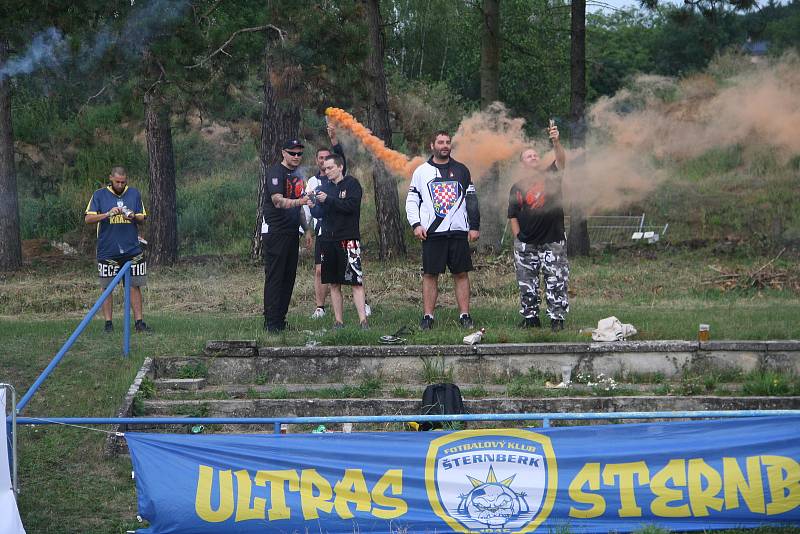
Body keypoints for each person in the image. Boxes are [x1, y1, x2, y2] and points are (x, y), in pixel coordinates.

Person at [405, 130, 480, 330]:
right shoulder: (421, 171)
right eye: (440, 142)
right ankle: (428, 316)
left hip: (457, 231)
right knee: (430, 274)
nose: (445, 145)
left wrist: (474, 226)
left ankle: (464, 315)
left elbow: (471, 199)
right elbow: (412, 200)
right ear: (432, 146)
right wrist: (416, 224)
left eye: (447, 142)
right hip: (432, 232)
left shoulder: (462, 170)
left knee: (461, 273)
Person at [507, 121, 568, 332]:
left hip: (552, 239)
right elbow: (513, 214)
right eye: (528, 156)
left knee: (556, 279)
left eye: (535, 155)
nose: (533, 157)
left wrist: (556, 141)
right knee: (527, 282)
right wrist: (518, 238)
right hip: (526, 243)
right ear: (523, 163)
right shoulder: (517, 187)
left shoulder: (551, 174)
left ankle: (557, 319)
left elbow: (561, 160)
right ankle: (531, 318)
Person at [84, 166, 151, 333]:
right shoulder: (99, 195)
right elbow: (88, 219)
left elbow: (142, 217)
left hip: (132, 249)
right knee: (107, 287)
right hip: (108, 249)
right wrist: (107, 214)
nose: (120, 185)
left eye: (123, 182)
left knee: (134, 286)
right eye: (117, 182)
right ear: (110, 179)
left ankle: (139, 323)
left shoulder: (134, 193)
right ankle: (108, 324)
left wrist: (133, 216)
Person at [310, 154, 369, 329]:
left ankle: (363, 321)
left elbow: (350, 207)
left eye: (330, 168)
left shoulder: (352, 184)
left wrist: (328, 200)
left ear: (340, 167)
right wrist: (313, 207)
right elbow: (320, 214)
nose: (326, 171)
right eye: (325, 168)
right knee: (334, 283)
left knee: (355, 281)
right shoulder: (324, 187)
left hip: (348, 239)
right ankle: (338, 321)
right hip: (328, 239)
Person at [262, 138, 313, 332]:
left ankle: (280, 320)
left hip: (292, 232)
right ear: (283, 153)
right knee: (275, 277)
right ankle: (271, 322)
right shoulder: (276, 172)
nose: (296, 157)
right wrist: (301, 202)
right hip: (276, 231)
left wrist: (306, 229)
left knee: (288, 277)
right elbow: (278, 201)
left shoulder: (298, 175)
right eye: (293, 153)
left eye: (300, 153)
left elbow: (299, 205)